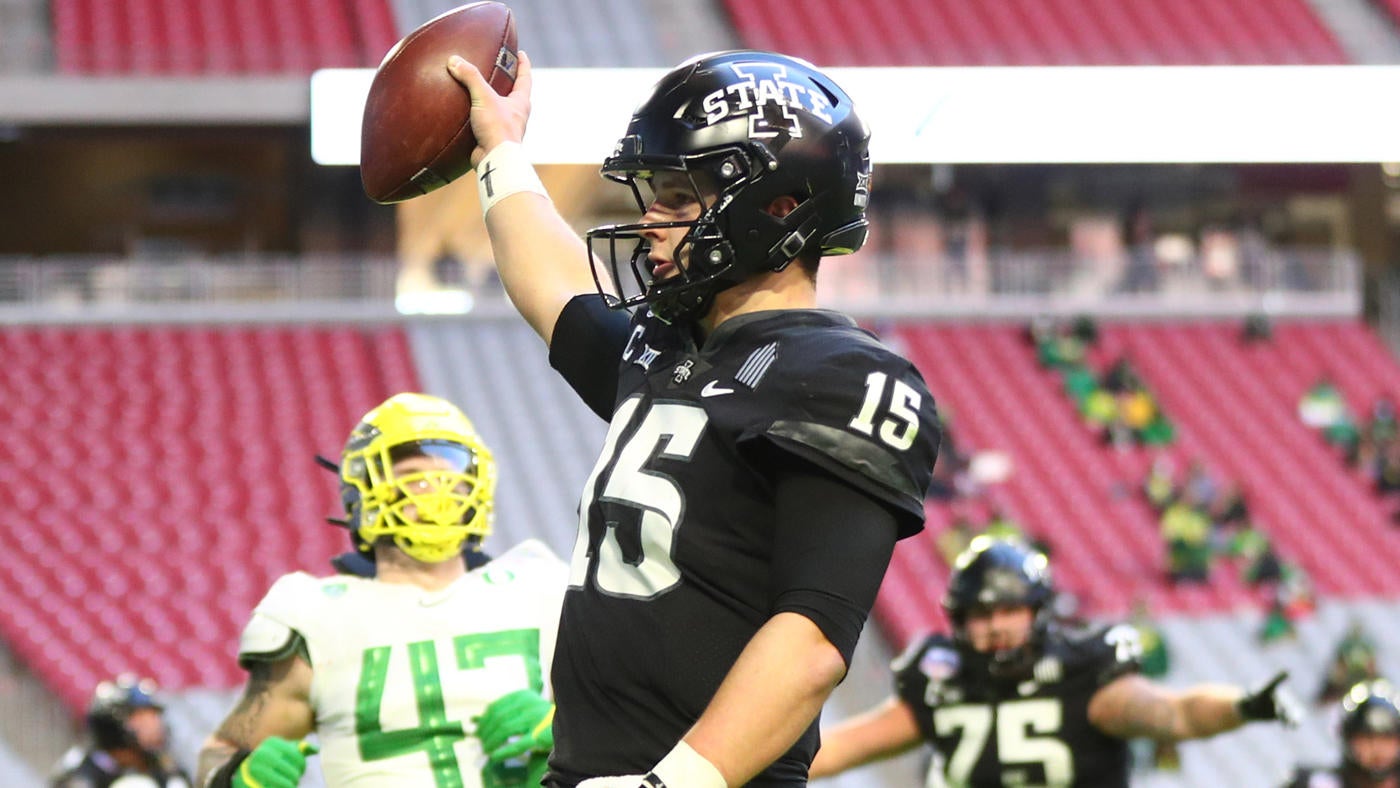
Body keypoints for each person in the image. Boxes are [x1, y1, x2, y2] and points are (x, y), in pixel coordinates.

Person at [446, 48, 941, 786]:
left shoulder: (844, 376)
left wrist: (673, 783)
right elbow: (550, 282)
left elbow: (811, 641)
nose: (649, 221)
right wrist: (502, 149)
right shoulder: (665, 346)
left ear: (779, 208)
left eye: (679, 199)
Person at [195, 393, 568, 788]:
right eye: (415, 476)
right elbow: (219, 752)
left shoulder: (541, 587)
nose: (436, 490)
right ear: (365, 488)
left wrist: (570, 729)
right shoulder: (317, 616)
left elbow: (635, 728)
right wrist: (237, 776)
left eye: (450, 473)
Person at [808, 536, 1301, 787]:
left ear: (1038, 612)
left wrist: (1241, 706)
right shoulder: (942, 678)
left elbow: (1173, 713)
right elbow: (834, 751)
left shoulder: (1086, 673)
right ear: (958, 621)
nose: (996, 626)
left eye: (1009, 610)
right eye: (981, 614)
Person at [51, 674, 192, 787]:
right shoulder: (79, 774)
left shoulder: (167, 769)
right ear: (111, 725)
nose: (154, 726)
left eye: (154, 718)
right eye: (141, 718)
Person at [1284, 680, 1400, 787]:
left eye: (1387, 739)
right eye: (1366, 738)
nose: (1377, 748)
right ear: (1348, 738)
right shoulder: (1316, 784)